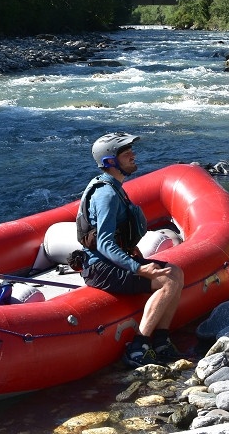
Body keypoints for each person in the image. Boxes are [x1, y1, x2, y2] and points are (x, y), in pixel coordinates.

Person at [76, 132, 184, 367]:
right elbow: (104, 242)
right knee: (169, 279)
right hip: (101, 269)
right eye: (127, 154)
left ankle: (162, 341)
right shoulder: (106, 194)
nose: (133, 156)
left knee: (176, 272)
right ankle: (139, 346)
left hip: (109, 263)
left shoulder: (113, 187)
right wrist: (139, 268)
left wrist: (130, 249)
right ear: (110, 162)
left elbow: (112, 235)